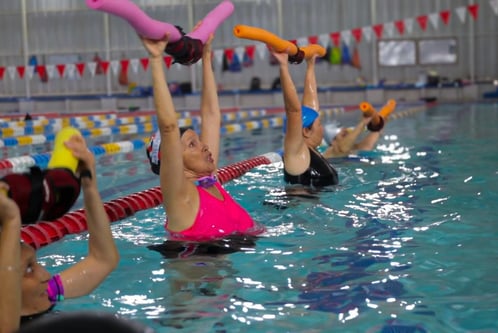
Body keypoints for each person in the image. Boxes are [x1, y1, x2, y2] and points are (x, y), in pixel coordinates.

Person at [141, 30, 264, 242]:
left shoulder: (209, 181)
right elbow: (169, 127)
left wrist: (206, 57)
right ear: (173, 160)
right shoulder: (181, 198)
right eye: (192, 145)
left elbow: (211, 116)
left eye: (198, 141)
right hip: (201, 271)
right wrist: (155, 59)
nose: (204, 146)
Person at [0, 133, 120, 333]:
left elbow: (103, 260)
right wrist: (12, 220)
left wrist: (89, 184)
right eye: (29, 269)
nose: (46, 275)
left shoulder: (48, 294)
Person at [270, 49, 339, 188]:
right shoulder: (296, 151)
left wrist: (310, 65)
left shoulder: (310, 150)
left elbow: (311, 105)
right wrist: (283, 66)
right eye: (319, 125)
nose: (322, 129)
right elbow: (293, 111)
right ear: (306, 131)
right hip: (298, 208)